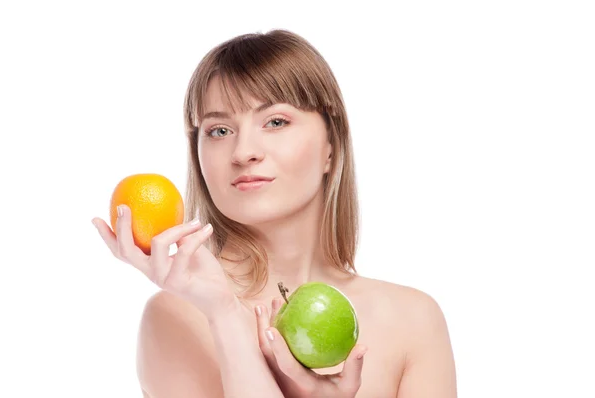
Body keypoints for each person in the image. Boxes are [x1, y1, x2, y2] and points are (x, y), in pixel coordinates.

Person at [92, 29, 457, 398]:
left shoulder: (413, 321)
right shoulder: (179, 316)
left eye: (276, 122)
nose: (244, 151)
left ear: (331, 145)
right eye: (219, 130)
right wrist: (226, 317)